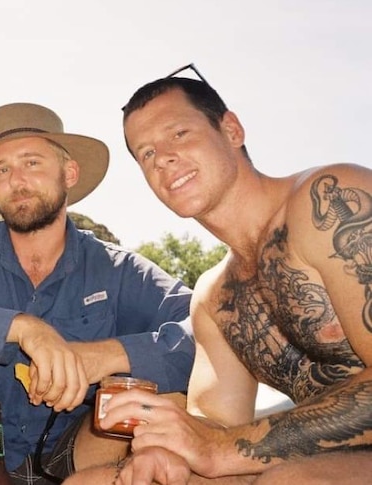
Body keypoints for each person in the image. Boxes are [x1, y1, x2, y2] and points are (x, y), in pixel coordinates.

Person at [66, 67, 372, 484]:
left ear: (231, 129)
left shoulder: (328, 202)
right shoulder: (214, 298)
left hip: (312, 470)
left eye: (178, 134)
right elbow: (216, 423)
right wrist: (166, 447)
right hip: (331, 461)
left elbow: (224, 448)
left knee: (289, 482)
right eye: (147, 154)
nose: (164, 159)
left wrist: (218, 448)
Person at [0, 102, 195, 485]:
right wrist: (21, 328)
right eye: (2, 169)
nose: (16, 180)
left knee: (155, 401)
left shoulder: (117, 270)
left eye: (32, 163)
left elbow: (206, 328)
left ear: (68, 172)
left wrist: (102, 357)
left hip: (79, 455)